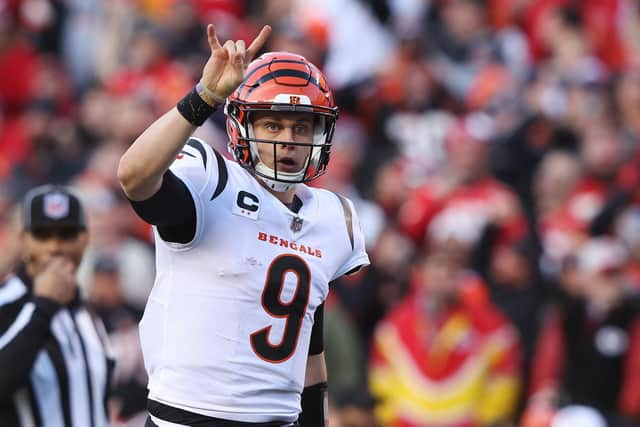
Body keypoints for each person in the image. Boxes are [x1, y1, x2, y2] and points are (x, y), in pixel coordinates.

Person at [117, 23, 370, 427]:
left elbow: (309, 354)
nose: (288, 139)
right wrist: (203, 99)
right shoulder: (211, 182)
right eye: (273, 125)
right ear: (242, 127)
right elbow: (133, 176)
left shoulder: (332, 218)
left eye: (300, 127)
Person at [0, 185, 113, 426]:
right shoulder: (5, 303)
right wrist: (44, 306)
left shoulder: (86, 311)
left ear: (85, 237)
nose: (55, 247)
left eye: (66, 234)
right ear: (24, 239)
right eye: (42, 235)